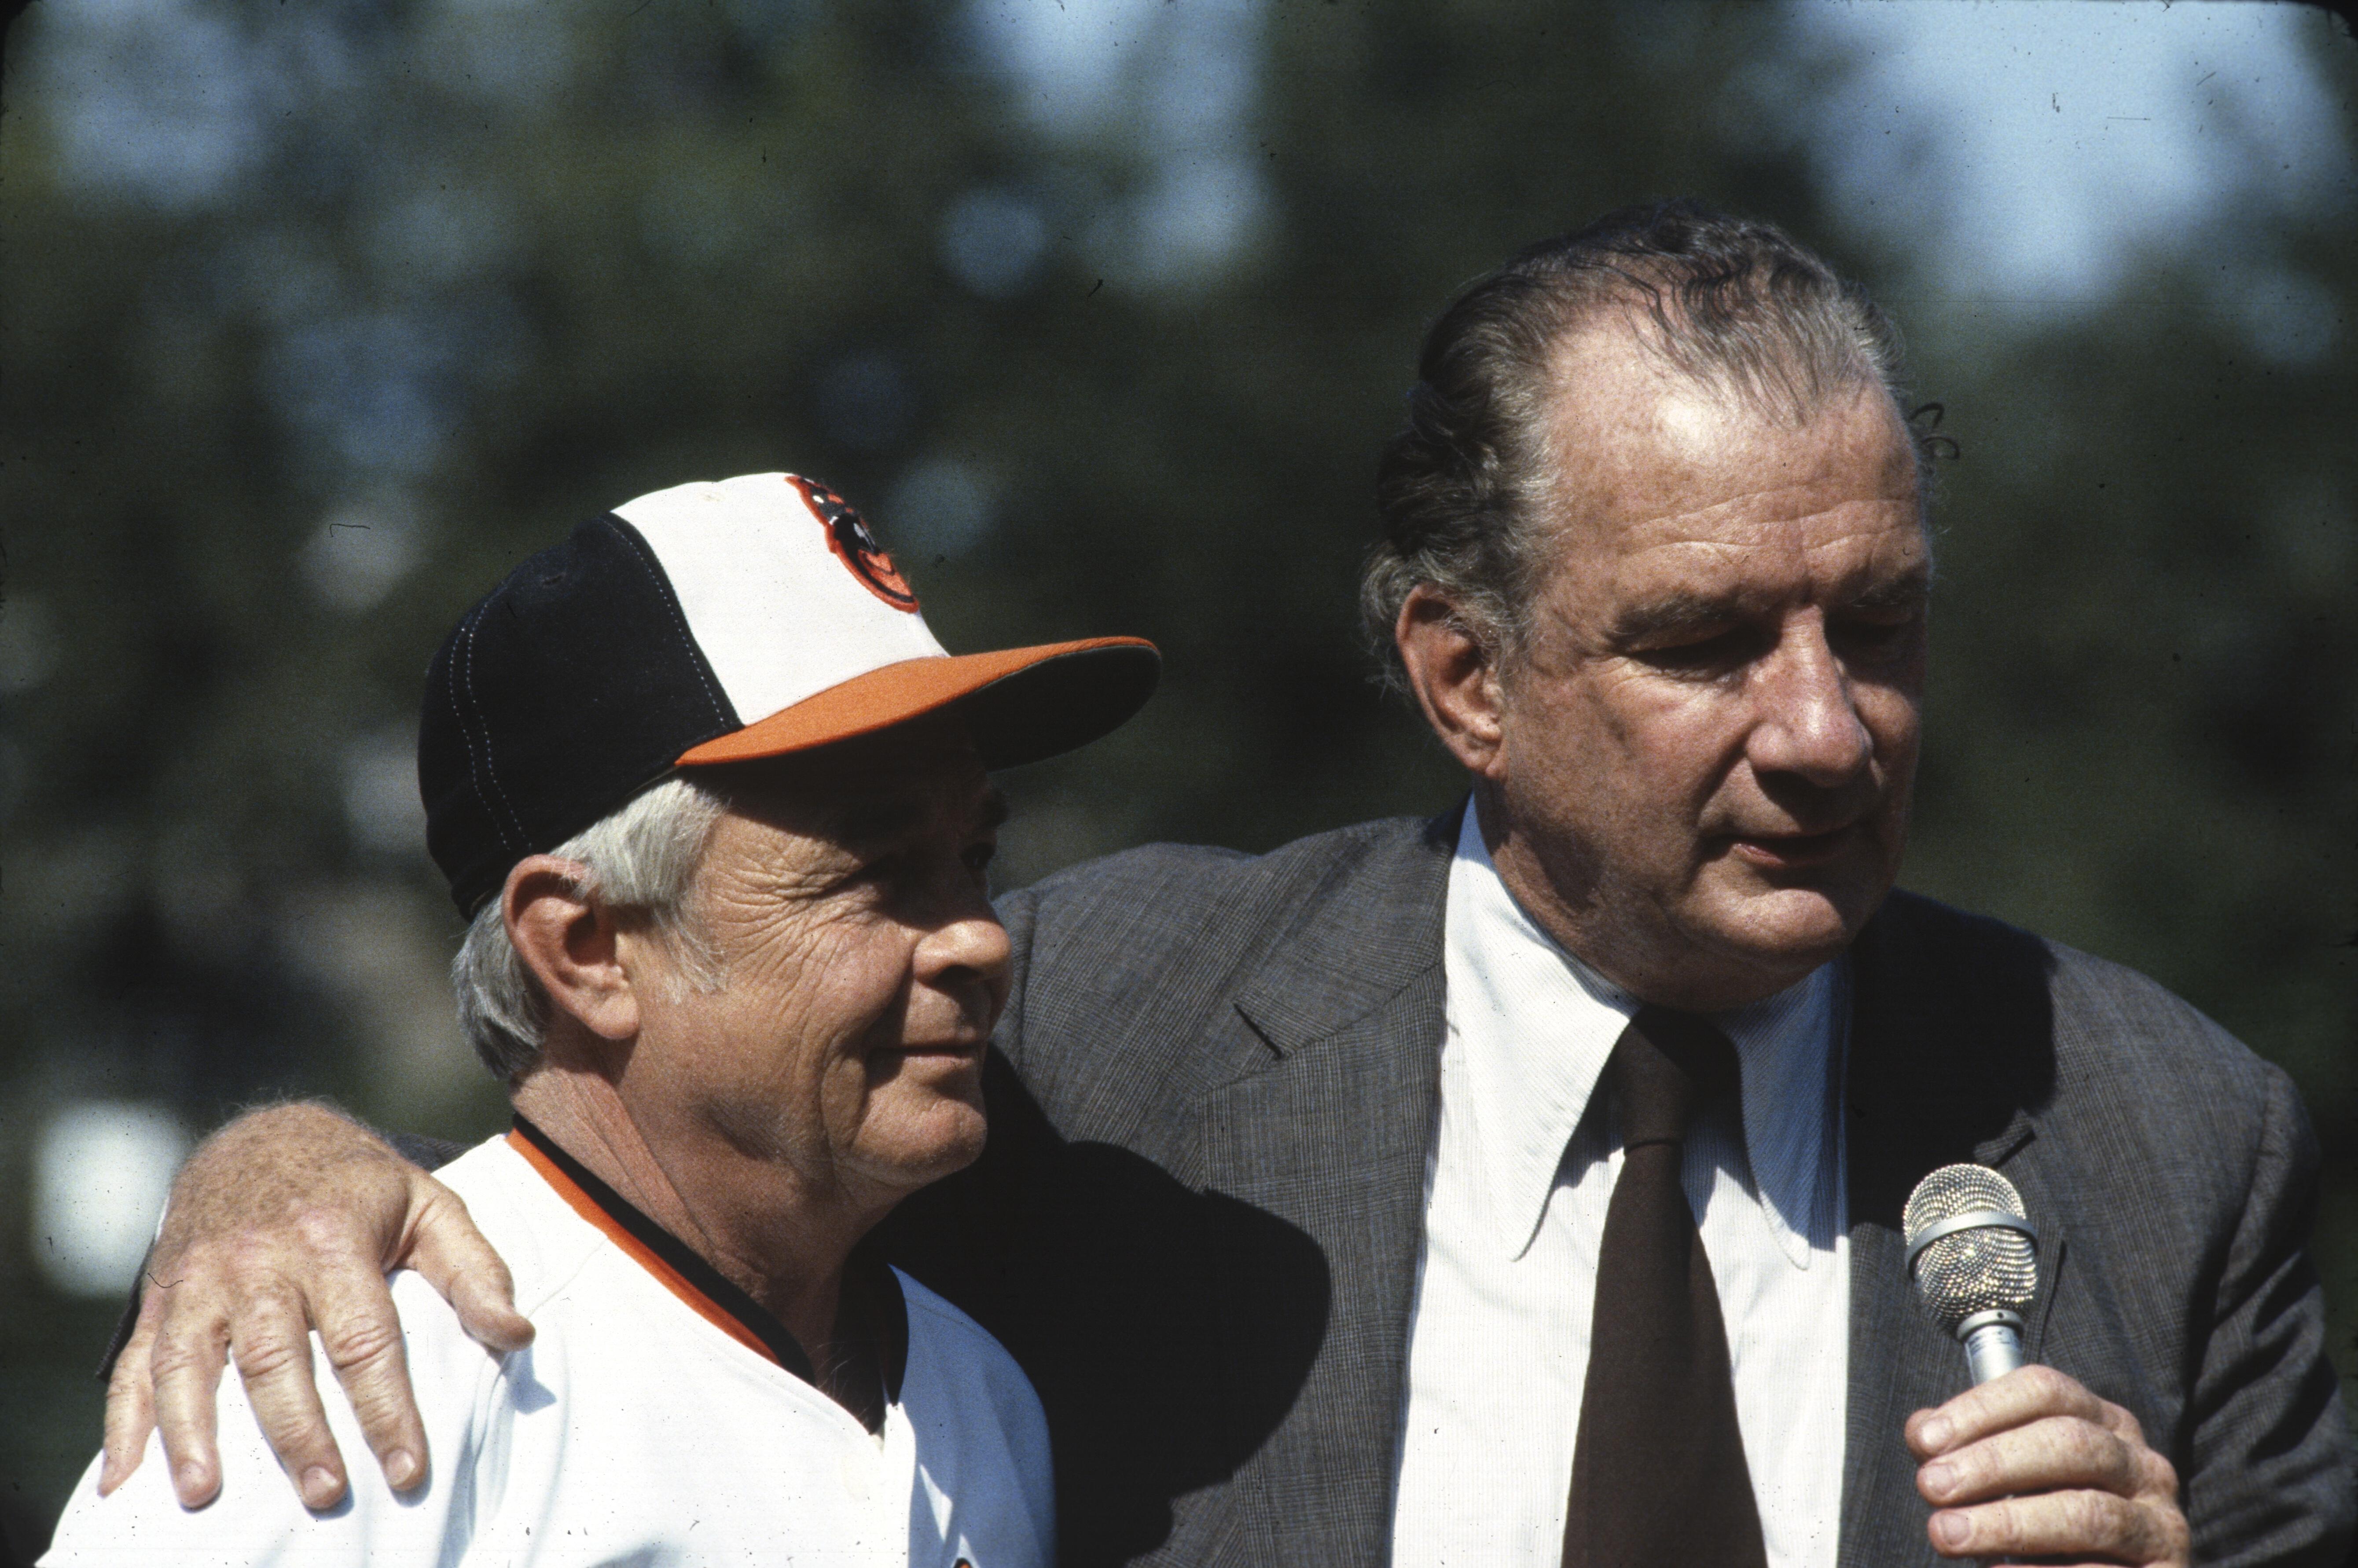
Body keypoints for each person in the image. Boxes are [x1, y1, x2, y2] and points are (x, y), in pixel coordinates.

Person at [95, 206, 2353, 1567]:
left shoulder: (2167, 1135)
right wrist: (279, 1169)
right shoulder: (1097, 1034)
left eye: (1872, 620)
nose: (1823, 726)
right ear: (1456, 675)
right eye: (1698, 642)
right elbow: (661, 1135)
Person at [45, 471, 1160, 1566]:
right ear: (587, 951)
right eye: (872, 872)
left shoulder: (986, 1398)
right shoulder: (371, 1367)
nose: (981, 936)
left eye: (973, 857)